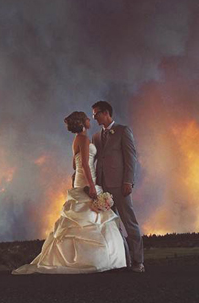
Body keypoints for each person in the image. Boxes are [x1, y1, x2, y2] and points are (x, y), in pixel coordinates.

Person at [12, 111, 127, 275]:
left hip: (80, 180)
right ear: (82, 122)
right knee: (91, 218)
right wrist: (92, 186)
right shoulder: (85, 139)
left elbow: (75, 164)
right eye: (87, 118)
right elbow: (86, 166)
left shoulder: (76, 140)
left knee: (84, 218)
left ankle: (86, 258)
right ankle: (95, 260)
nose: (89, 120)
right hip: (87, 180)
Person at [91, 101, 145, 273]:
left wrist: (128, 181)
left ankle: (138, 262)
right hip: (103, 188)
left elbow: (131, 158)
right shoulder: (96, 137)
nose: (94, 117)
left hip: (120, 186)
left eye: (96, 113)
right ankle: (123, 261)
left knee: (129, 222)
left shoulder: (123, 131)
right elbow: (96, 160)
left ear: (106, 112)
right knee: (112, 226)